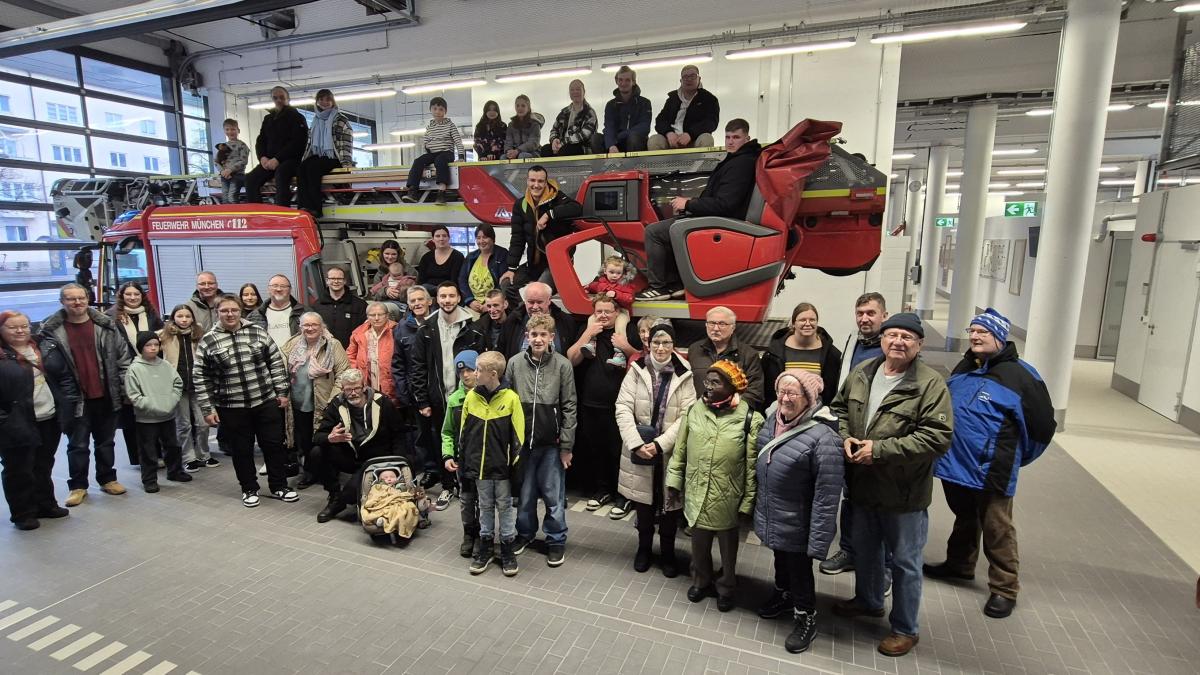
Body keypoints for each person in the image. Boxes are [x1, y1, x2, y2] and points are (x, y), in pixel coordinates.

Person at [828, 313, 954, 658]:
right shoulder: (863, 372)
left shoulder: (930, 385)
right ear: (882, 339)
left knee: (904, 562)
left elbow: (937, 438)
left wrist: (879, 450)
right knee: (866, 551)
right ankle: (869, 601)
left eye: (907, 337)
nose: (897, 341)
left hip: (903, 494)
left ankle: (905, 628)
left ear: (919, 344)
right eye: (892, 335)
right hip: (863, 485)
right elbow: (838, 409)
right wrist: (845, 438)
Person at [926, 309, 1055, 619]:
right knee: (965, 515)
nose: (975, 336)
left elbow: (1042, 427)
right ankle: (960, 565)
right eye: (972, 331)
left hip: (992, 466)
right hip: (956, 462)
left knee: (997, 526)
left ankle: (1004, 588)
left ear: (999, 336)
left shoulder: (1022, 376)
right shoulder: (967, 366)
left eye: (982, 332)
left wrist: (1014, 458)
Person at [753, 370, 843, 654]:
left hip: (800, 521)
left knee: (800, 568)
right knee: (780, 557)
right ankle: (784, 594)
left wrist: (819, 540)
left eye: (793, 393)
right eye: (782, 391)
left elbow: (827, 496)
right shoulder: (773, 421)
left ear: (810, 398)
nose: (785, 398)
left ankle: (806, 617)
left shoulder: (824, 437)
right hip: (775, 513)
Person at [668, 360, 764, 612]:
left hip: (728, 495)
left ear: (732, 387)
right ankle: (700, 581)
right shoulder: (693, 411)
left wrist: (747, 502)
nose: (707, 387)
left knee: (728, 548)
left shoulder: (750, 418)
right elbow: (680, 451)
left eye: (715, 382)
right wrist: (674, 482)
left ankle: (726, 586)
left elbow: (752, 467)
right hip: (697, 489)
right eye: (707, 381)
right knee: (698, 544)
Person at [637, 119, 763, 301]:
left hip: (723, 220)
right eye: (727, 137)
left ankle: (658, 287)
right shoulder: (737, 160)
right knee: (672, 229)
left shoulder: (741, 164)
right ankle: (676, 284)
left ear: (747, 138)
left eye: (736, 137)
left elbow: (725, 204)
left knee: (654, 232)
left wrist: (689, 204)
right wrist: (691, 204)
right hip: (717, 217)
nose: (730, 141)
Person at [193, 295, 298, 508]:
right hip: (232, 407)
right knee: (241, 450)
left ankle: (279, 486)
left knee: (274, 446)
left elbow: (276, 363)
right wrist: (208, 407)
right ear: (217, 313)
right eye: (224, 311)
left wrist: (282, 392)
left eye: (234, 310)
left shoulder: (257, 332)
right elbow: (200, 377)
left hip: (266, 401)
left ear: (241, 310)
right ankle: (249, 488)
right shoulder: (208, 341)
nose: (230, 314)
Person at [615, 322, 695, 577]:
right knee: (644, 502)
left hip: (670, 451)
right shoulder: (636, 369)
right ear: (648, 344)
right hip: (640, 448)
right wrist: (636, 443)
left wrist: (661, 444)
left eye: (666, 343)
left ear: (674, 346)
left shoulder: (685, 373)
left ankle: (668, 552)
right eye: (656, 343)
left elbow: (687, 415)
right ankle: (644, 549)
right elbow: (623, 407)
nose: (661, 348)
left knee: (670, 503)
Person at [40, 283, 131, 506]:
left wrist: (122, 388)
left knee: (106, 442)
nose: (77, 302)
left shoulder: (106, 326)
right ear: (62, 302)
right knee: (77, 445)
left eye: (81, 298)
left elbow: (123, 359)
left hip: (106, 395)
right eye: (71, 299)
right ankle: (78, 486)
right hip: (74, 400)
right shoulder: (51, 332)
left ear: (88, 299)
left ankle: (108, 479)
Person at [821, 292, 889, 576]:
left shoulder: (892, 346)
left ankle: (884, 568)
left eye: (871, 313)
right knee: (849, 496)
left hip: (881, 440)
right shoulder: (853, 340)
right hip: (851, 432)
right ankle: (849, 550)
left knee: (882, 505)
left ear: (884, 315)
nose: (864, 318)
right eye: (860, 312)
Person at [506, 314, 577, 567]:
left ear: (551, 338)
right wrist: (509, 441)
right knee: (524, 495)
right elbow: (507, 403)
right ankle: (524, 534)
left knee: (553, 495)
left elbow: (569, 406)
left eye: (542, 335)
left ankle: (556, 540)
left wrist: (566, 446)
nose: (537, 339)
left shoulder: (562, 365)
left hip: (551, 445)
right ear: (527, 336)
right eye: (533, 334)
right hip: (522, 444)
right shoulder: (514, 363)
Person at [411, 281, 485, 504]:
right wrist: (422, 400)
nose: (447, 300)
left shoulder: (473, 328)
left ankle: (471, 487)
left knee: (471, 440)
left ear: (459, 298)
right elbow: (417, 367)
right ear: (437, 300)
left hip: (468, 396)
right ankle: (447, 484)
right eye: (443, 296)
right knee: (442, 440)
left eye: (451, 296)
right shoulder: (426, 329)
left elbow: (482, 364)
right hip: (439, 397)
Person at [453, 351, 525, 577]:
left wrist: (512, 467)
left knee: (504, 506)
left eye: (478, 370)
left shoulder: (511, 398)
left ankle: (506, 547)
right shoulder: (472, 397)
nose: (474, 374)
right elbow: (463, 434)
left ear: (492, 374)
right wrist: (464, 462)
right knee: (484, 505)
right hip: (479, 469)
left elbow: (519, 438)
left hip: (501, 469)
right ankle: (485, 545)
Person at [0, 311, 72, 529]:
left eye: (24, 326)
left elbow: (62, 376)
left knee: (43, 464)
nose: (20, 331)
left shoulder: (42, 347)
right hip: (15, 422)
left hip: (47, 416)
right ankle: (23, 513)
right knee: (18, 469)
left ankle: (46, 504)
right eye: (13, 327)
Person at [567, 295, 637, 515]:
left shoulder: (628, 332)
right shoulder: (588, 333)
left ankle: (623, 496)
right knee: (596, 450)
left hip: (620, 406)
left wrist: (624, 346)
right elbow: (571, 358)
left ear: (617, 313)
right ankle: (602, 489)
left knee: (619, 452)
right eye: (599, 312)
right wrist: (588, 334)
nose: (604, 315)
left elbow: (640, 359)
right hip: (590, 403)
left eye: (608, 311)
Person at [313, 368, 411, 523]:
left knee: (351, 493)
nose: (353, 393)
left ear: (364, 386)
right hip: (350, 456)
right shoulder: (336, 404)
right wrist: (330, 438)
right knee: (317, 452)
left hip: (375, 460)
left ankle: (341, 502)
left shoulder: (382, 403)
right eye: (348, 389)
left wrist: (396, 463)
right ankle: (334, 495)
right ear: (343, 389)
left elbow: (399, 434)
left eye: (357, 388)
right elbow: (317, 436)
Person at [282, 312, 349, 489]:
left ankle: (328, 473)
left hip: (324, 402)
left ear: (322, 327)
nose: (310, 328)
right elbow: (282, 370)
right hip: (298, 403)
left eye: (315, 325)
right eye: (306, 325)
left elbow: (343, 372)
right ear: (300, 327)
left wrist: (333, 400)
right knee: (304, 441)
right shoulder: (292, 345)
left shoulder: (332, 345)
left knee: (323, 439)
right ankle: (309, 473)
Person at [498, 165, 582, 301]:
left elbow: (577, 208)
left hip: (556, 266)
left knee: (537, 293)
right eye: (532, 180)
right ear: (527, 181)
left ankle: (538, 317)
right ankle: (523, 319)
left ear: (546, 181)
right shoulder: (520, 205)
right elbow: (517, 239)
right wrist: (511, 269)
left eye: (540, 181)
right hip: (532, 265)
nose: (536, 185)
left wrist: (549, 214)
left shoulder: (557, 197)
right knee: (506, 286)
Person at [124, 332, 191, 493]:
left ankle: (175, 472)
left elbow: (177, 383)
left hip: (168, 415)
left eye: (156, 344)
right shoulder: (134, 369)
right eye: (148, 345)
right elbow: (134, 395)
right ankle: (149, 479)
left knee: (172, 446)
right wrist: (153, 406)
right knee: (148, 451)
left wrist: (171, 401)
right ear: (141, 348)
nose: (153, 348)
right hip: (146, 419)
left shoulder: (165, 365)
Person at [108, 281, 164, 466]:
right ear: (121, 296)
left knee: (153, 413)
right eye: (128, 294)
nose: (133, 298)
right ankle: (141, 458)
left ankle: (157, 453)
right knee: (132, 418)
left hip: (152, 369)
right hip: (127, 372)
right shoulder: (112, 317)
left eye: (136, 294)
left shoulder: (151, 314)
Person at [159, 304, 217, 473]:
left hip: (199, 385)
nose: (184, 319)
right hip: (178, 387)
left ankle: (204, 454)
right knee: (183, 424)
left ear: (192, 318)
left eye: (187, 316)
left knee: (203, 422)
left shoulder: (200, 335)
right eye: (179, 316)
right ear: (173, 318)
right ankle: (188, 457)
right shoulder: (164, 336)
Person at [762, 302, 842, 408]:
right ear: (794, 323)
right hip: (782, 410)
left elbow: (832, 391)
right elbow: (767, 389)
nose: (808, 323)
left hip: (816, 413)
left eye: (812, 320)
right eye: (802, 320)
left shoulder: (831, 354)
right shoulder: (774, 353)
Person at [685, 306, 765, 410]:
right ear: (706, 325)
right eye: (712, 323)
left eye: (722, 324)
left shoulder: (748, 355)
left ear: (733, 327)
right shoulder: (694, 350)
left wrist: (728, 406)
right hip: (699, 414)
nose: (715, 328)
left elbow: (755, 393)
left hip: (731, 417)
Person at [442, 350, 481, 553]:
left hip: (484, 460)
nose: (465, 375)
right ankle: (468, 533)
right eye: (461, 372)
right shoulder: (454, 400)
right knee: (466, 500)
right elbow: (447, 431)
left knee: (484, 501)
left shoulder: (487, 397)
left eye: (470, 369)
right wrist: (448, 455)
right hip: (462, 461)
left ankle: (484, 533)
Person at [244, 86, 309, 206]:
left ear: (288, 99)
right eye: (275, 98)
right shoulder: (268, 119)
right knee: (250, 179)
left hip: (291, 160)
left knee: (281, 174)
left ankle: (282, 212)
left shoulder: (297, 117)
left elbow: (298, 143)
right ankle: (257, 214)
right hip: (268, 161)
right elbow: (261, 140)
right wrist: (262, 157)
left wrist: (278, 159)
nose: (278, 100)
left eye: (282, 97)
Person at [296, 89, 354, 218]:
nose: (324, 102)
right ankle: (303, 206)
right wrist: (304, 160)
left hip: (335, 156)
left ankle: (316, 208)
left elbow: (346, 143)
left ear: (332, 101)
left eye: (328, 99)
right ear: (317, 102)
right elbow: (310, 145)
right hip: (320, 155)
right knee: (302, 168)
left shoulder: (340, 120)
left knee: (313, 168)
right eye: (321, 99)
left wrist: (346, 165)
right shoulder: (315, 120)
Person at [403, 97, 464, 205]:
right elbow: (426, 142)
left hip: (446, 153)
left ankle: (441, 192)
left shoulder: (450, 125)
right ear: (431, 109)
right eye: (435, 108)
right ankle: (413, 191)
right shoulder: (430, 127)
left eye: (441, 109)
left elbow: (458, 141)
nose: (437, 112)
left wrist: (461, 157)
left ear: (445, 111)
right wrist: (427, 155)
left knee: (440, 161)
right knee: (418, 161)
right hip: (433, 153)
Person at [496, 281, 577, 359]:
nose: (535, 307)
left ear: (549, 300)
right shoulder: (512, 321)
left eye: (539, 302)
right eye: (531, 302)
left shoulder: (566, 321)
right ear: (524, 301)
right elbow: (501, 353)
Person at [648, 65, 720, 151]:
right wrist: (669, 133)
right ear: (681, 80)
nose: (689, 79)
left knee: (707, 138)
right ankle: (658, 165)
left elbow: (711, 122)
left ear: (699, 79)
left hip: (694, 139)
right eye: (685, 76)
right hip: (671, 140)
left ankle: (700, 165)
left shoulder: (709, 99)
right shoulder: (672, 99)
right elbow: (660, 120)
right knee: (654, 140)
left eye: (692, 76)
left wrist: (690, 134)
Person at [582, 255, 636, 368]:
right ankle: (591, 343)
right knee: (591, 319)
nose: (615, 276)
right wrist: (586, 287)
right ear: (605, 271)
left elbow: (629, 298)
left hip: (622, 311)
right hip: (607, 311)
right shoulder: (601, 283)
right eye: (611, 272)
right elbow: (594, 286)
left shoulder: (625, 284)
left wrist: (616, 295)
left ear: (623, 273)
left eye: (618, 273)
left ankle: (620, 354)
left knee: (620, 327)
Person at [346, 301, 398, 406]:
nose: (376, 318)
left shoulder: (396, 330)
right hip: (366, 382)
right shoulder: (359, 332)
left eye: (380, 314)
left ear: (387, 315)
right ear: (368, 317)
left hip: (390, 382)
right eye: (372, 315)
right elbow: (350, 355)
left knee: (389, 411)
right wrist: (356, 374)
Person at [599, 66, 652, 153]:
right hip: (616, 143)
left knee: (633, 137)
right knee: (596, 139)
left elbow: (644, 127)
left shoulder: (644, 103)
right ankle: (605, 165)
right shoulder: (610, 105)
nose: (623, 83)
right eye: (620, 80)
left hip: (635, 142)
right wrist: (611, 145)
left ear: (633, 82)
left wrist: (621, 135)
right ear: (616, 81)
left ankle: (633, 166)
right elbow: (609, 126)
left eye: (627, 80)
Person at [313, 265, 367, 349]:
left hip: (351, 352)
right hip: (324, 351)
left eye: (339, 278)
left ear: (344, 281)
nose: (336, 281)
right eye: (332, 278)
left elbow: (365, 330)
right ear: (327, 281)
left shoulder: (360, 305)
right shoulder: (317, 306)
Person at [541, 79, 598, 157]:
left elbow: (584, 135)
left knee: (566, 150)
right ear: (569, 93)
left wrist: (563, 143)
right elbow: (554, 129)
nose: (575, 92)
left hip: (581, 147)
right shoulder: (564, 112)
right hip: (562, 145)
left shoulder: (589, 112)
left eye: (578, 89)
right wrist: (554, 140)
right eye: (572, 90)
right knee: (545, 150)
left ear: (584, 91)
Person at [360, 467, 422, 538]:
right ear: (380, 480)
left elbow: (406, 494)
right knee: (378, 511)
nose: (389, 479)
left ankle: (388, 520)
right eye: (385, 478)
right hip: (382, 502)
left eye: (392, 477)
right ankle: (381, 520)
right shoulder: (377, 486)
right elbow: (374, 496)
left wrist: (402, 491)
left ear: (397, 478)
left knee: (407, 507)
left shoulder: (399, 485)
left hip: (397, 501)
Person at [460, 225, 508, 314]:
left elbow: (503, 282)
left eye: (485, 237)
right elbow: (462, 280)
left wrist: (490, 303)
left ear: (493, 238)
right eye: (478, 238)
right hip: (472, 305)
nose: (481, 241)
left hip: (494, 305)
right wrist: (470, 301)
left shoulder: (502, 254)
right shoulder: (471, 257)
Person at [416, 226, 466, 291]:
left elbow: (455, 281)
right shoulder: (426, 257)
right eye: (437, 236)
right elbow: (421, 281)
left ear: (449, 238)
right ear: (433, 239)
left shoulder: (457, 256)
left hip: (448, 292)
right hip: (427, 292)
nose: (441, 239)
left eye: (444, 236)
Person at [263, 274, 304, 351]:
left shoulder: (304, 312)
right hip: (268, 362)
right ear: (268, 289)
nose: (279, 289)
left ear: (290, 290)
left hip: (297, 361)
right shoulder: (256, 315)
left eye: (283, 286)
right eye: (274, 286)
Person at [218, 118, 250, 204]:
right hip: (225, 176)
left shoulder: (242, 145)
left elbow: (243, 161)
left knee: (232, 197)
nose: (230, 131)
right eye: (227, 129)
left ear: (238, 130)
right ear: (224, 131)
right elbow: (217, 161)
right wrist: (222, 171)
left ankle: (236, 216)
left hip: (237, 175)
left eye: (233, 129)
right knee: (225, 198)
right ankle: (227, 216)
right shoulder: (223, 146)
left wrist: (230, 170)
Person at [504, 94, 542, 160]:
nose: (520, 108)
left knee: (522, 156)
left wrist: (518, 151)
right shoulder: (511, 125)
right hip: (515, 152)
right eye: (517, 106)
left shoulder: (535, 124)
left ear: (528, 108)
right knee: (503, 157)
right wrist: (508, 151)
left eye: (523, 106)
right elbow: (508, 141)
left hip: (533, 152)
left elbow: (533, 143)